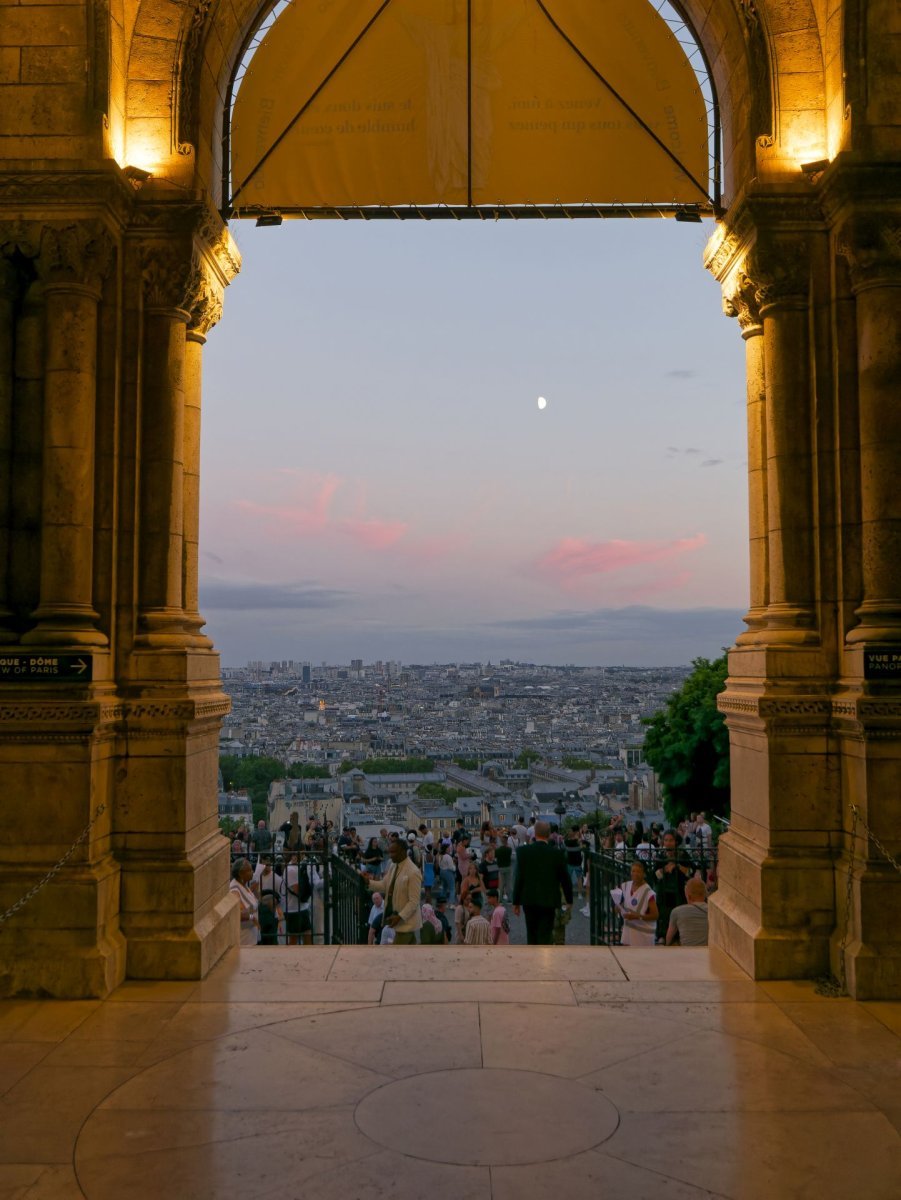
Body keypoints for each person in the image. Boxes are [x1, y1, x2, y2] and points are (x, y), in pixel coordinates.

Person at [512, 820, 573, 945]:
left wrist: (516, 902)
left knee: (531, 932)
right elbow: (565, 879)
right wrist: (569, 900)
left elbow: (519, 878)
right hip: (549, 900)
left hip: (529, 899)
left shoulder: (523, 852)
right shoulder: (557, 854)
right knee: (545, 933)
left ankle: (532, 958)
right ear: (549, 834)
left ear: (535, 833)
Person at [365, 836, 422, 944]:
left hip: (406, 924)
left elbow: (414, 901)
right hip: (398, 923)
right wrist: (369, 883)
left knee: (397, 955)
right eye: (390, 852)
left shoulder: (413, 872)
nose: (390, 855)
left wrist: (399, 917)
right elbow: (385, 885)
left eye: (394, 852)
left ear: (403, 852)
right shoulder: (394, 866)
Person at [653, 830, 692, 942]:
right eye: (666, 840)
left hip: (679, 891)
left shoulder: (683, 854)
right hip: (664, 892)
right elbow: (655, 876)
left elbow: (690, 872)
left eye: (671, 840)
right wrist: (665, 869)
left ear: (676, 841)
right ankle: (662, 936)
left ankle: (678, 936)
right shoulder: (660, 856)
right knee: (664, 914)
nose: (668, 843)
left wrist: (677, 865)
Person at [618, 860, 659, 947]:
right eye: (633, 871)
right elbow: (620, 906)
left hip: (643, 935)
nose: (635, 874)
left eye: (638, 871)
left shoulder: (648, 892)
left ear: (644, 874)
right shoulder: (626, 886)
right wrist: (618, 907)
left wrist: (638, 917)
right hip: (628, 931)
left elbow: (655, 915)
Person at [666, 877, 709, 945]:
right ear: (705, 895)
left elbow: (668, 940)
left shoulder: (677, 911)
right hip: (708, 952)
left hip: (687, 953)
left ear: (688, 896)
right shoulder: (713, 911)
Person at [229, 858, 260, 946]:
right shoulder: (234, 890)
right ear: (240, 873)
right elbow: (237, 913)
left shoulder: (245, 885)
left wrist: (256, 889)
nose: (252, 872)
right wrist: (252, 917)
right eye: (249, 870)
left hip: (251, 936)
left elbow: (255, 903)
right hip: (244, 939)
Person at [495, 834, 514, 901]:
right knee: (509, 884)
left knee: (501, 884)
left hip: (500, 868)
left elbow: (495, 857)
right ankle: (510, 898)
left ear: (501, 841)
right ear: (507, 841)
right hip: (508, 867)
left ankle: (500, 898)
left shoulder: (497, 850)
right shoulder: (509, 849)